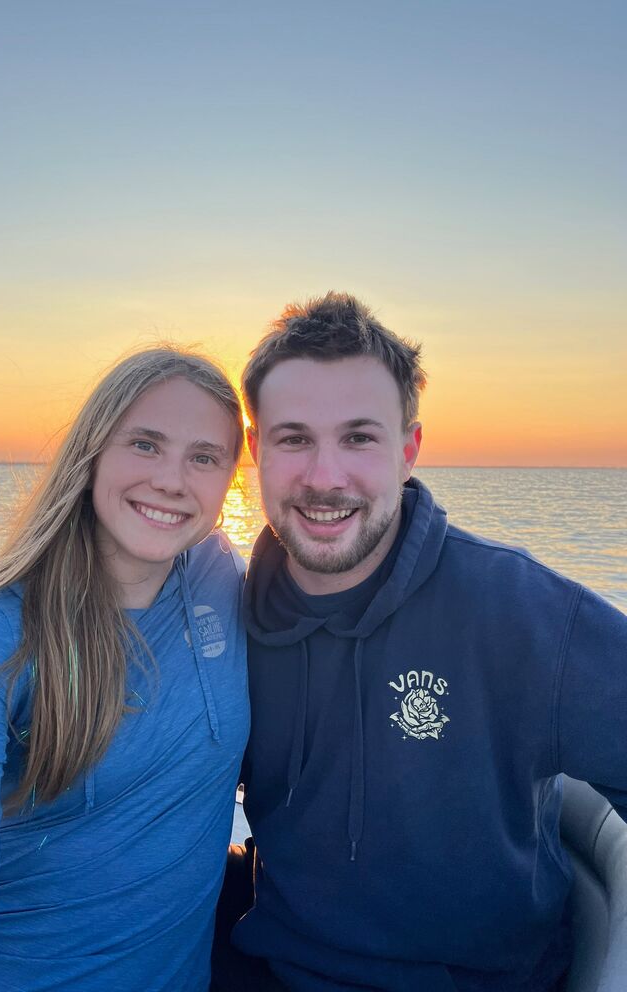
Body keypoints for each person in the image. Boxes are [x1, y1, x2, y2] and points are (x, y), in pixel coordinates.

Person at [222, 293, 627, 992]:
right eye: (294, 438)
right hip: (272, 965)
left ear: (408, 449)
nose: (324, 478)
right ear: (256, 449)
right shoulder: (228, 616)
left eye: (359, 437)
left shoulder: (517, 609)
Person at [0, 348, 250, 992]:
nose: (173, 480)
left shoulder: (220, 579)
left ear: (229, 480)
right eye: (146, 444)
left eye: (204, 456)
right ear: (91, 452)